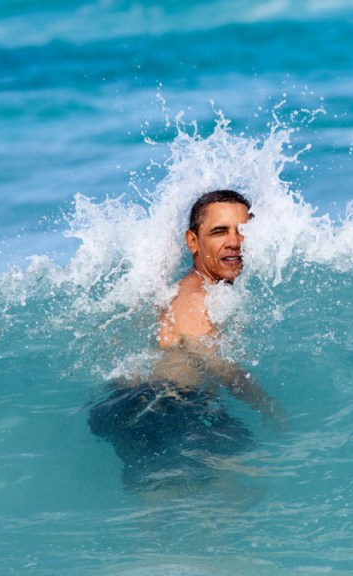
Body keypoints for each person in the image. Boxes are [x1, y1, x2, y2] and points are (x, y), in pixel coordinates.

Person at [88, 190, 284, 491]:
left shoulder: (197, 289)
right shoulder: (194, 298)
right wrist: (269, 407)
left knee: (167, 512)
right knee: (237, 489)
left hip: (143, 403)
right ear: (193, 241)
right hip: (162, 408)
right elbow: (218, 366)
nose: (235, 241)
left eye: (243, 231)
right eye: (220, 232)